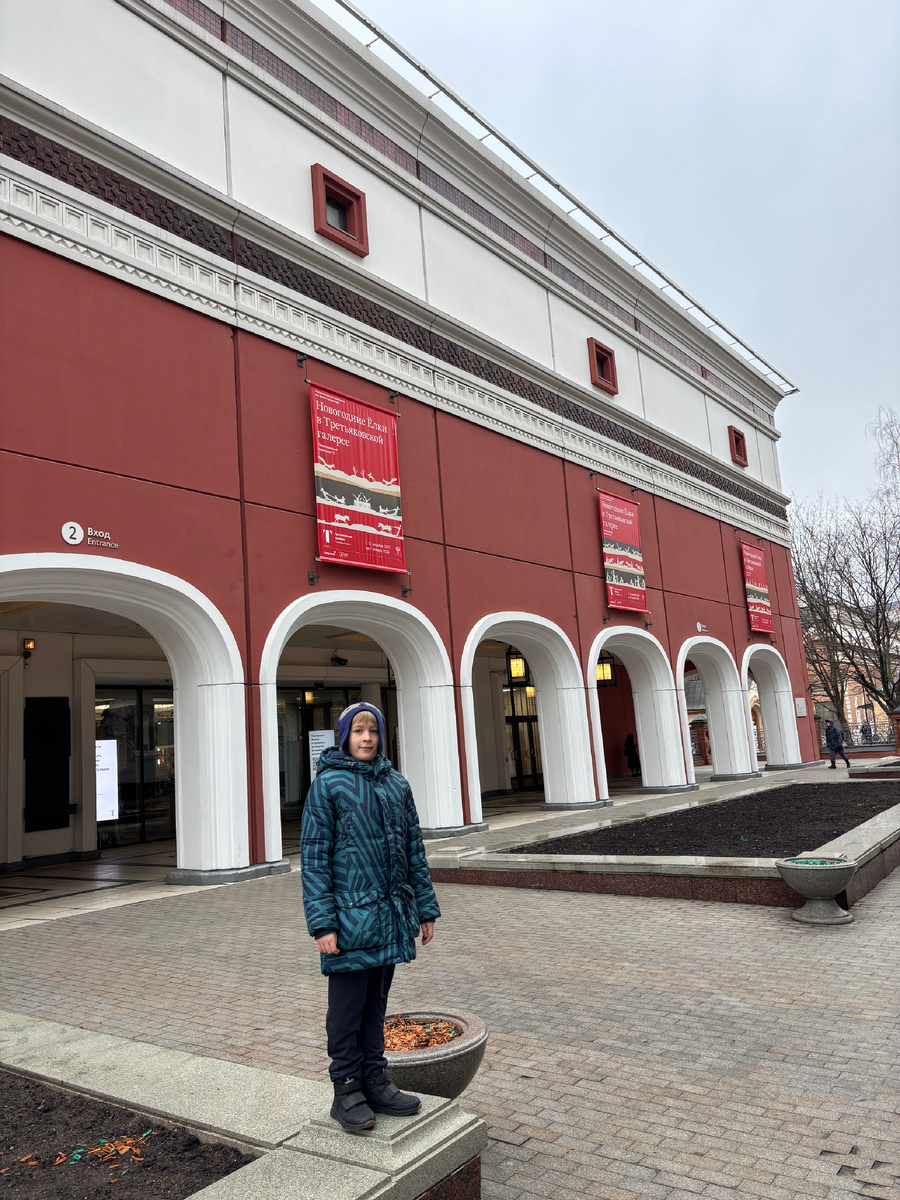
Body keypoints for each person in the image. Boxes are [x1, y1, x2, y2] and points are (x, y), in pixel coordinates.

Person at [301, 701, 440, 1134]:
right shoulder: (328, 785)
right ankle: (346, 1091)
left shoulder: (396, 784)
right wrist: (323, 923)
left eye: (373, 731)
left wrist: (425, 908)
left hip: (389, 916)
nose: (367, 738)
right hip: (348, 921)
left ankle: (375, 1081)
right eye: (359, 731)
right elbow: (315, 858)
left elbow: (414, 851)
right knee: (347, 1009)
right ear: (345, 737)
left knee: (376, 1004)